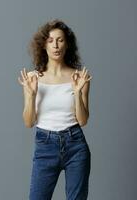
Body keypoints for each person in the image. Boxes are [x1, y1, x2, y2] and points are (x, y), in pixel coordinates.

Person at [17, 19, 93, 200]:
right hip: (45, 145)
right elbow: (28, 122)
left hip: (75, 144)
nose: (56, 45)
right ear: (43, 45)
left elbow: (83, 120)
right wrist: (32, 94)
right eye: (50, 41)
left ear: (67, 44)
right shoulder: (32, 78)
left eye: (60, 40)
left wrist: (77, 92)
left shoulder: (78, 77)